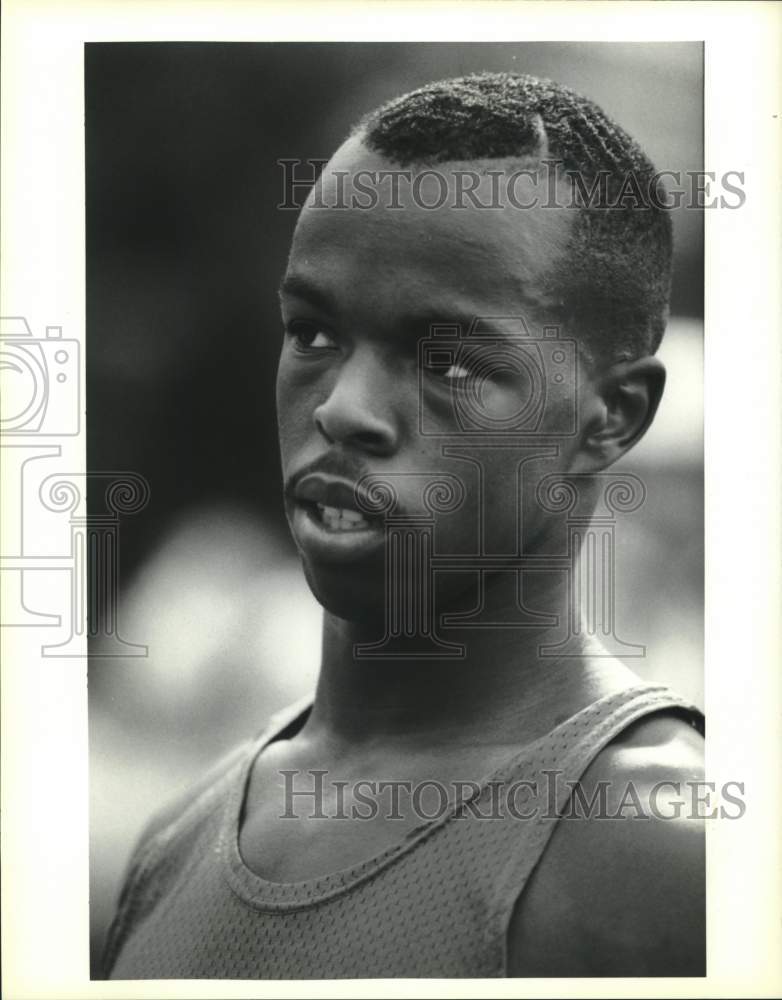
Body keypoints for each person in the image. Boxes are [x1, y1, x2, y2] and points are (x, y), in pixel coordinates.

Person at [103, 72, 705, 979]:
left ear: (612, 417)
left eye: (451, 363)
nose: (344, 409)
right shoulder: (176, 840)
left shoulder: (676, 856)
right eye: (312, 333)